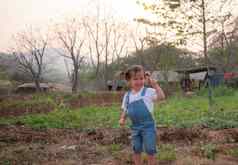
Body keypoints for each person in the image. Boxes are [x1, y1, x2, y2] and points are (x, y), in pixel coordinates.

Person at [119, 65, 165, 165]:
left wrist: (155, 86)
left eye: (141, 78)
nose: (139, 81)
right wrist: (122, 118)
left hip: (148, 126)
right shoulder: (127, 96)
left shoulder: (148, 92)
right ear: (129, 81)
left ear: (145, 78)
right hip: (135, 127)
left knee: (150, 149)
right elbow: (126, 109)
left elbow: (161, 97)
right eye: (135, 79)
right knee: (136, 149)